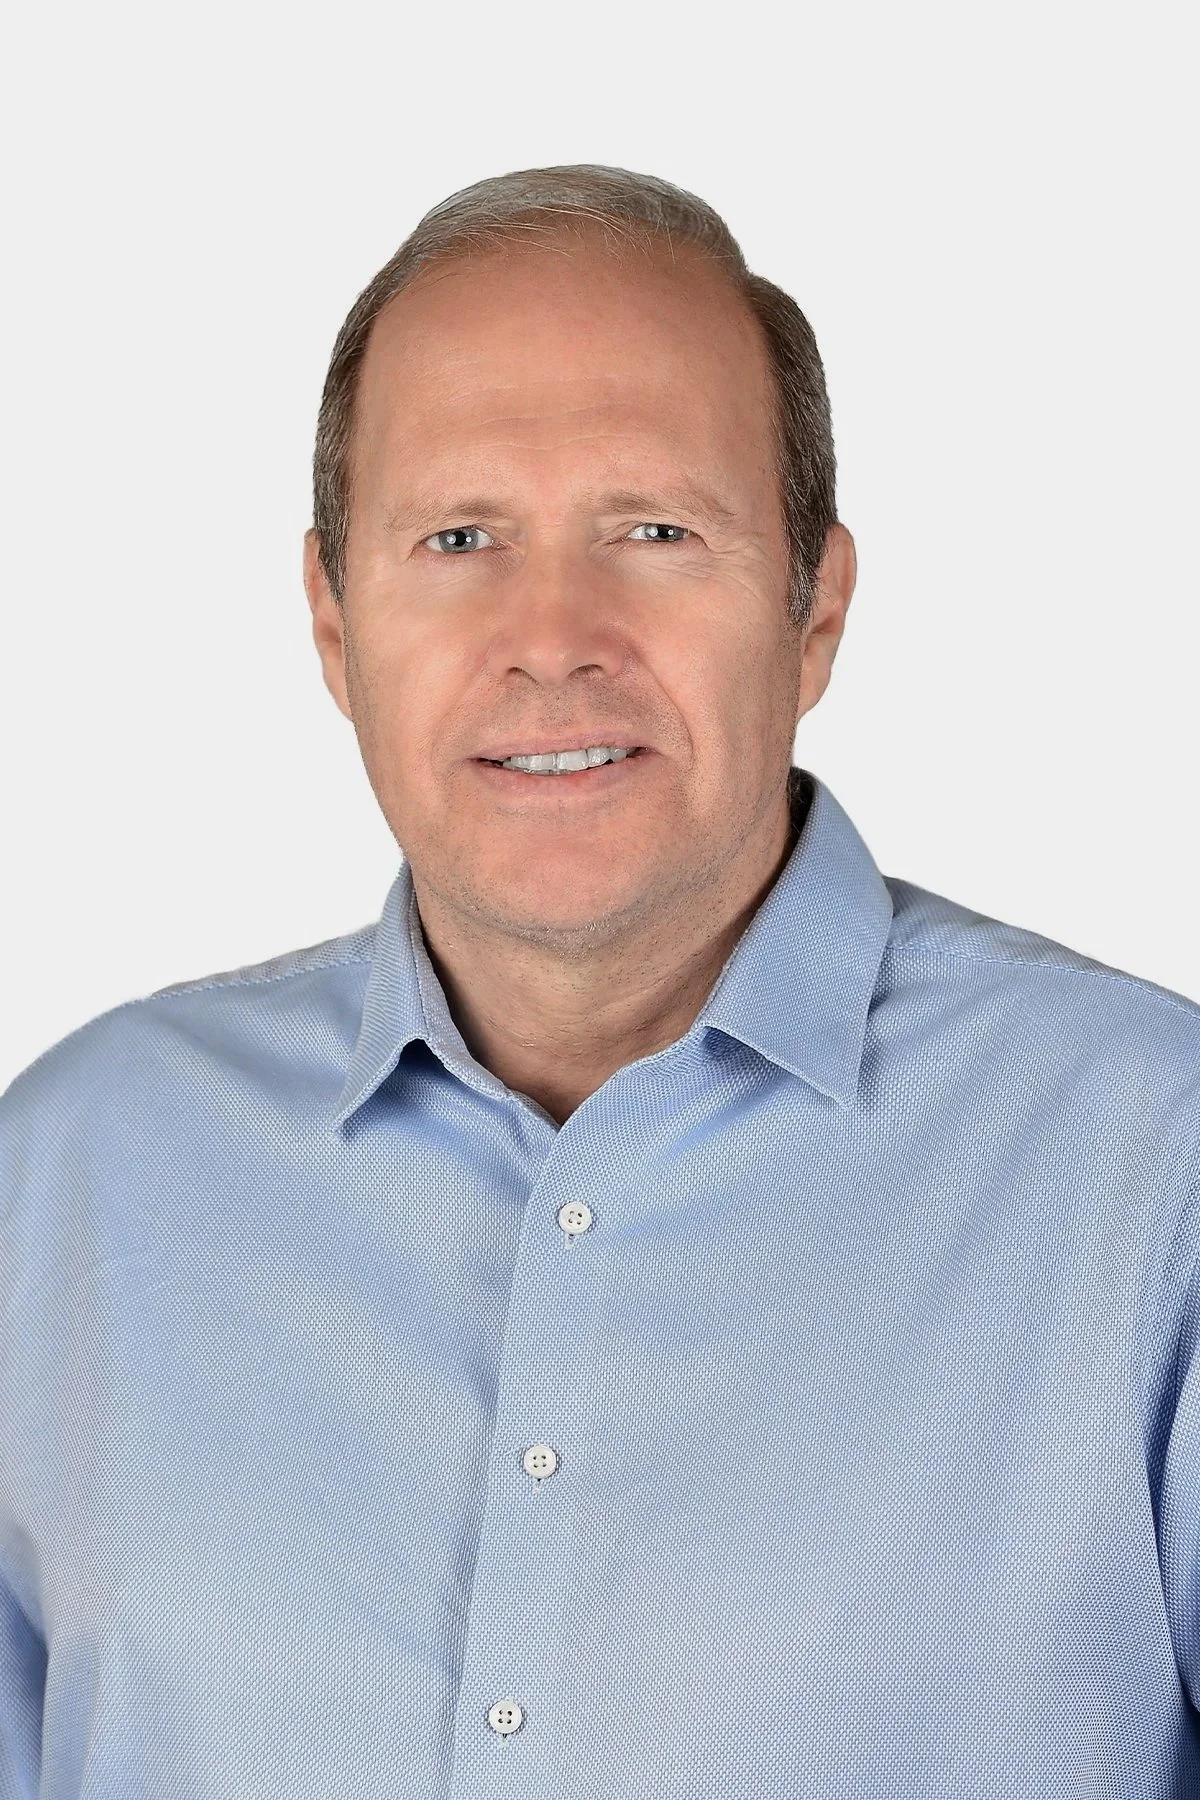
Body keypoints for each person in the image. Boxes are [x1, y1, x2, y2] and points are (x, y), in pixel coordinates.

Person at [1, 163, 1198, 1800]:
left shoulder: (1154, 1173)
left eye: (655, 531)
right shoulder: (72, 1178)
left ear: (815, 609)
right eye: (458, 537)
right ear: (335, 625)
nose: (554, 634)